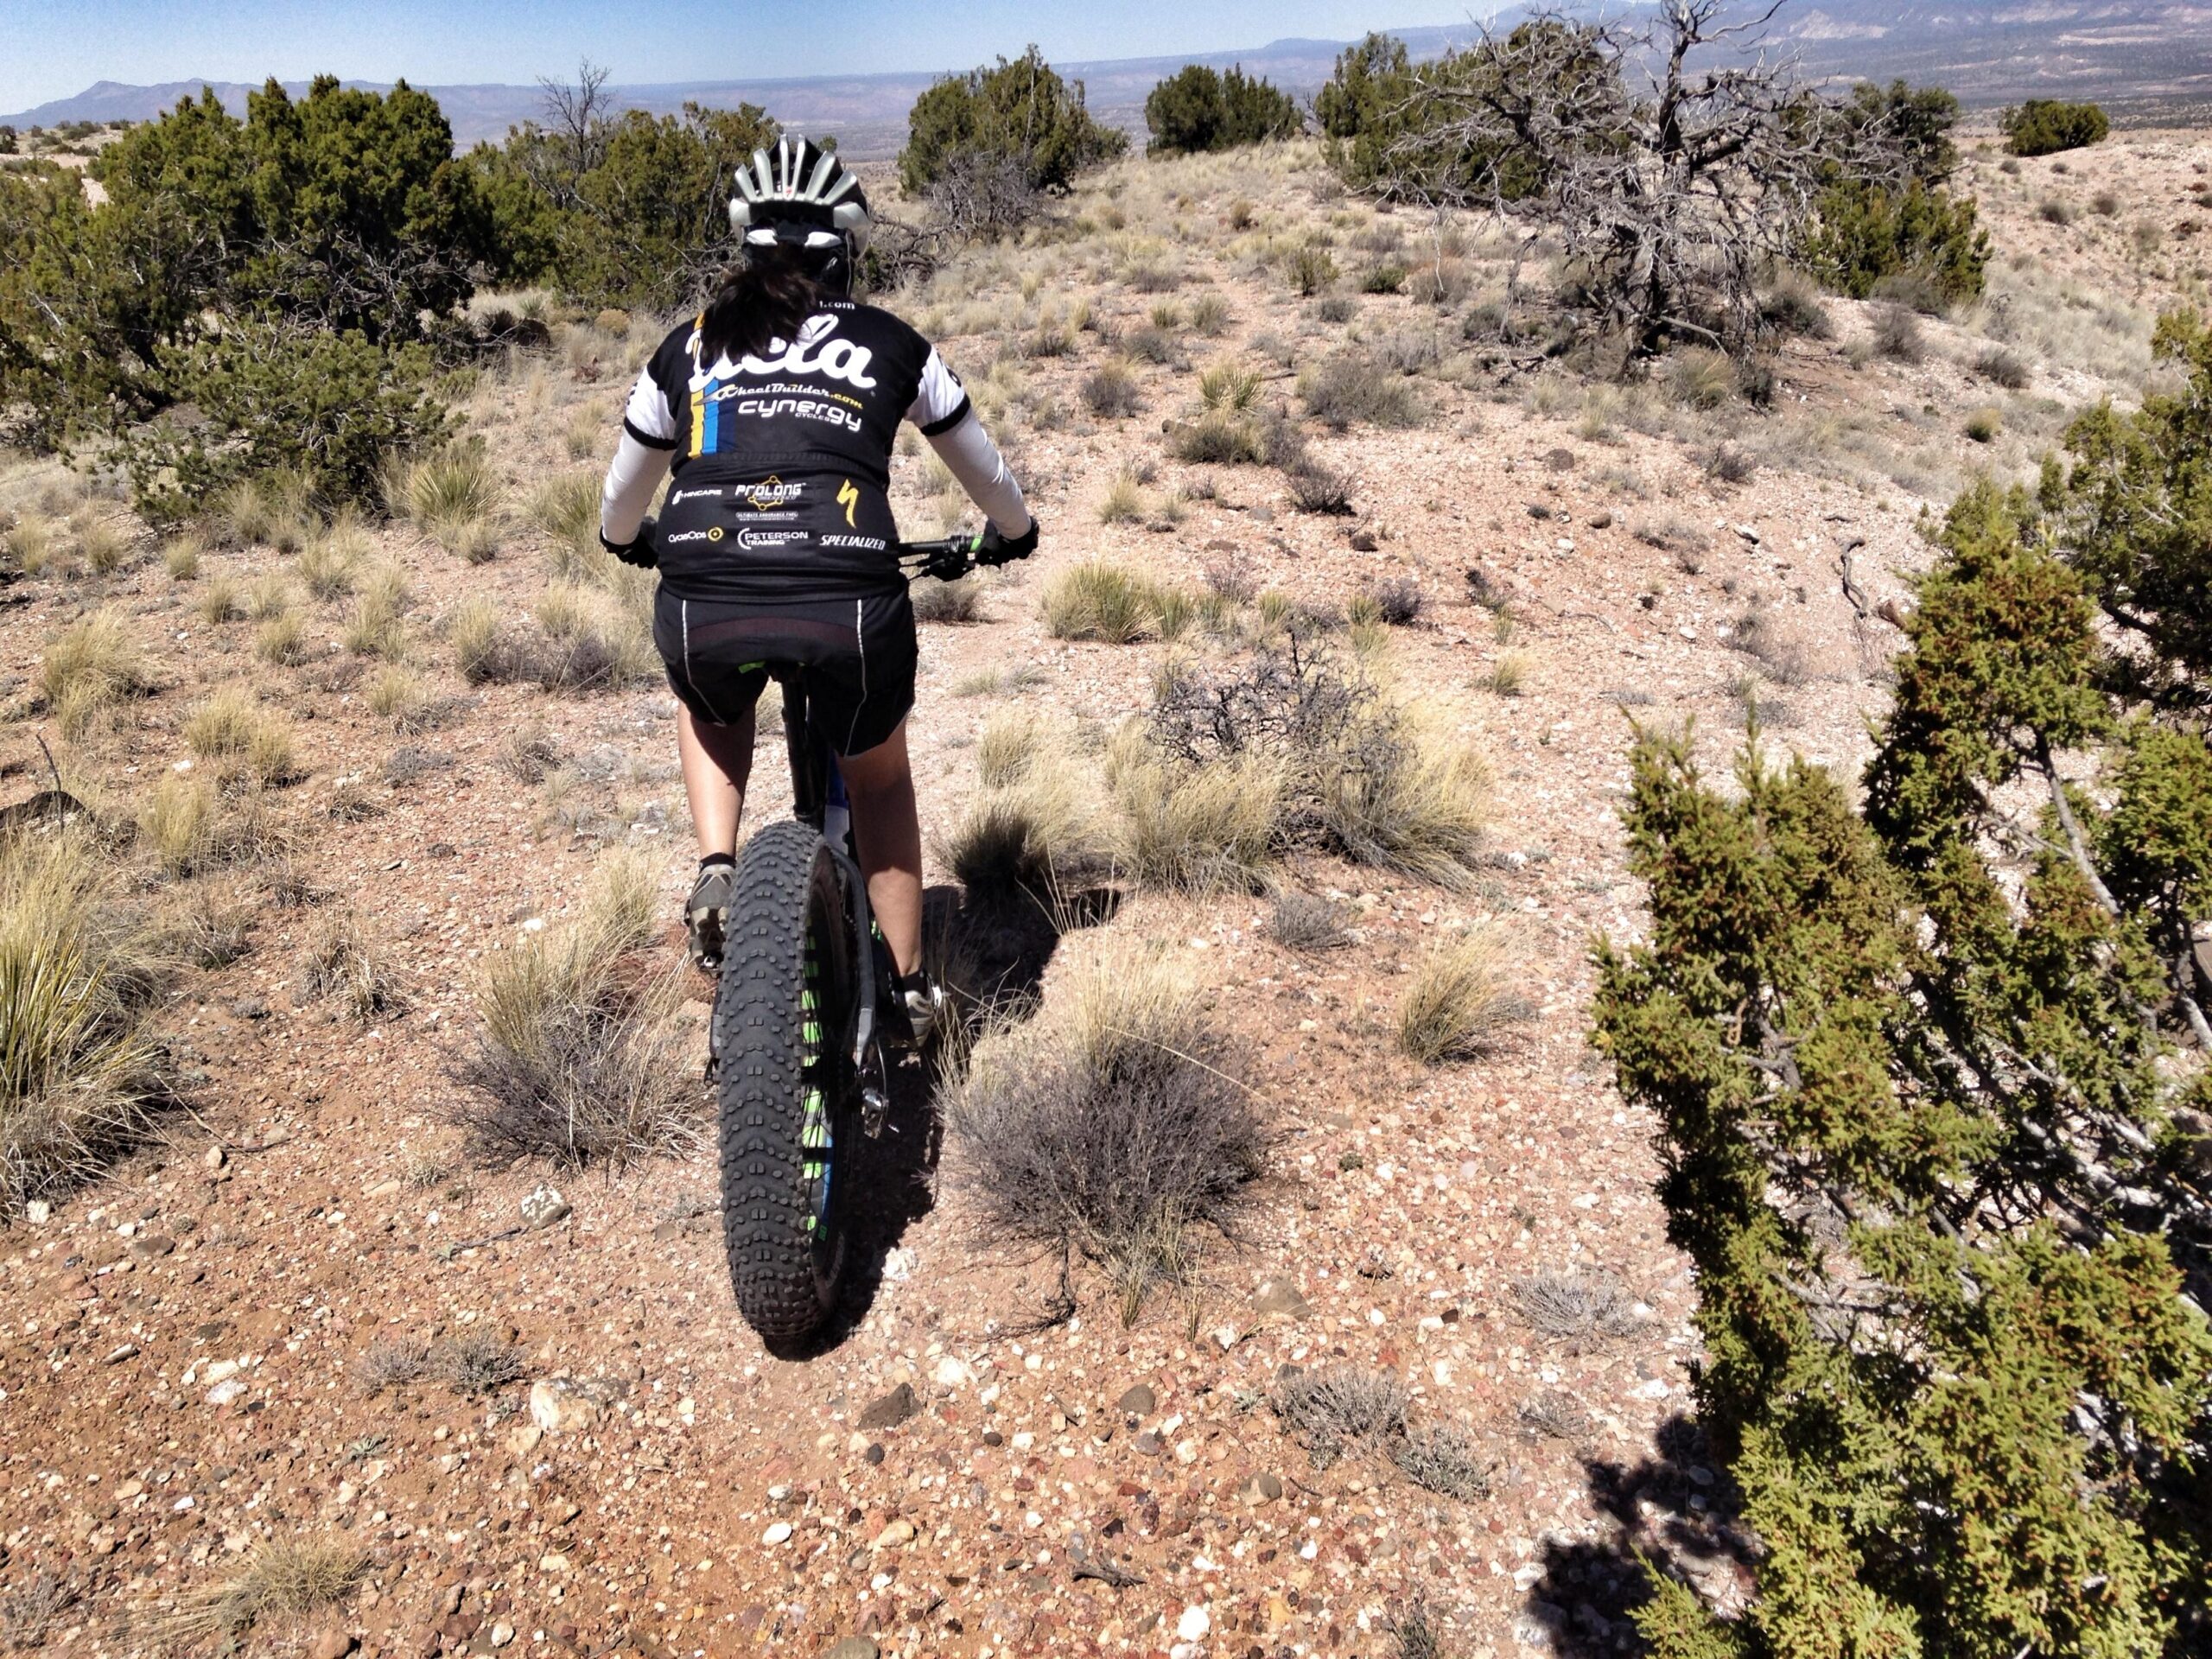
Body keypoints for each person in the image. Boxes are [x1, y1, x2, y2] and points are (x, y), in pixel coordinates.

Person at [597, 137, 1036, 1038]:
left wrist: (629, 542)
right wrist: (1011, 536)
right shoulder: (892, 343)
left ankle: (719, 865)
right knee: (876, 780)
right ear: (845, 251)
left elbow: (620, 495)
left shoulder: (687, 349)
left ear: (744, 252)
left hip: (704, 588)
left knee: (709, 703)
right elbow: (986, 474)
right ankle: (909, 987)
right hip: (849, 598)